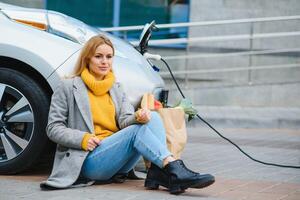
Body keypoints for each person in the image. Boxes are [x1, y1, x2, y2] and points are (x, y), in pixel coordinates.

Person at [40, 35, 215, 194]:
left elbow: (124, 121)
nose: (104, 62)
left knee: (153, 117)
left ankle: (159, 172)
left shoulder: (116, 88)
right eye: (98, 56)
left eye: (109, 57)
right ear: (87, 59)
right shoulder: (68, 87)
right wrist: (83, 138)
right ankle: (173, 169)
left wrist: (138, 116)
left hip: (117, 159)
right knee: (136, 132)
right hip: (87, 161)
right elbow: (53, 128)